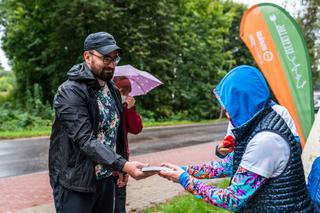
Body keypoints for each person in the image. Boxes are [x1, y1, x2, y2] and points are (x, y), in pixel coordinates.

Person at [159, 65, 314, 212]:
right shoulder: (257, 122)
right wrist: (182, 170)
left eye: (228, 103)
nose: (225, 110)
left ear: (242, 101)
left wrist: (184, 179)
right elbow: (227, 166)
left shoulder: (265, 141)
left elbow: (231, 199)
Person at [49, 32, 152, 213]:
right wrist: (123, 164)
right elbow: (85, 140)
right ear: (87, 56)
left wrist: (121, 166)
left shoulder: (111, 88)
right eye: (106, 59)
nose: (112, 65)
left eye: (114, 59)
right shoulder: (70, 91)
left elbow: (117, 131)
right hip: (76, 181)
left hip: (106, 177)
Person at [216, 101, 301, 158]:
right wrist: (221, 151)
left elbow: (296, 147)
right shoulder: (236, 118)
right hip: (248, 176)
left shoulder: (280, 111)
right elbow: (230, 149)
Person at [113, 76, 143, 213]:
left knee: (120, 197)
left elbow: (136, 129)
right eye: (123, 93)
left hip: (122, 159)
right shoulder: (105, 106)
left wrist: (130, 110)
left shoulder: (126, 107)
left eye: (127, 93)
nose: (126, 96)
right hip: (106, 159)